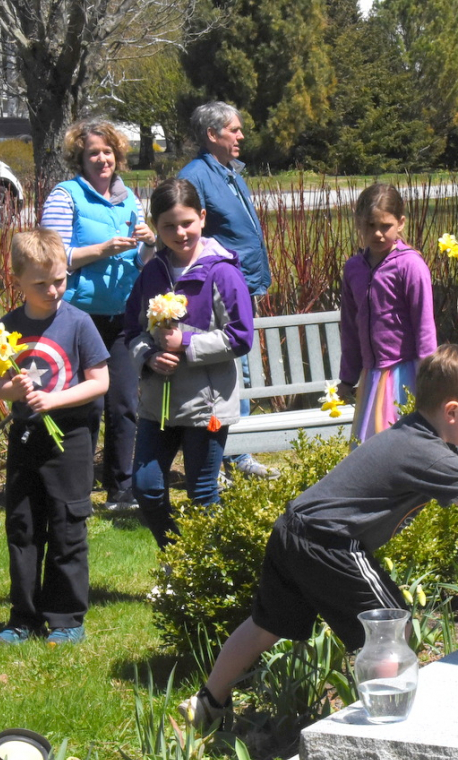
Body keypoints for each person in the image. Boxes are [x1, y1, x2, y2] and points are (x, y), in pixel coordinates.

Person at [178, 344, 458, 729]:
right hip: (330, 542)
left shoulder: (424, 435)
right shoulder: (426, 451)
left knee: (265, 625)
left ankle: (208, 702)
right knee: (388, 626)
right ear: (453, 411)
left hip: (294, 529)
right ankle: (391, 726)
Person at [0, 230, 110, 646]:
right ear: (18, 281)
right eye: (40, 284)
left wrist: (55, 399)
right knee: (23, 527)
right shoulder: (8, 326)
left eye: (59, 280)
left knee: (66, 526)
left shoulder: (78, 323)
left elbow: (100, 382)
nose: (53, 290)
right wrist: (16, 390)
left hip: (71, 439)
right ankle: (22, 617)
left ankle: (65, 617)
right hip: (26, 439)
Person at [124, 179, 254, 549]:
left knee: (201, 493)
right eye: (168, 226)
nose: (179, 233)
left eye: (186, 223)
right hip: (157, 404)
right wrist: (148, 357)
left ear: (202, 218)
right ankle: (178, 556)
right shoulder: (152, 273)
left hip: (206, 404)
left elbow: (240, 336)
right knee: (146, 487)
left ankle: (212, 570)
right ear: (156, 226)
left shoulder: (221, 271)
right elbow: (131, 330)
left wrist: (187, 343)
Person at [41, 119, 156, 513]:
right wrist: (102, 249)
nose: (102, 159)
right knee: (85, 406)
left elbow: (142, 262)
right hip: (79, 316)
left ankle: (121, 490)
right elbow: (52, 257)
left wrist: (149, 245)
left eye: (107, 152)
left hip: (123, 316)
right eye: (93, 153)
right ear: (81, 158)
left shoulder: (130, 199)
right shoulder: (65, 195)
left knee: (124, 404)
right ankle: (77, 488)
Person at [179, 101, 277, 480]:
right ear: (212, 135)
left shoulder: (229, 172)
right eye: (234, 130)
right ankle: (218, 460)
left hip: (243, 287)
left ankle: (238, 455)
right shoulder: (196, 178)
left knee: (244, 374)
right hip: (217, 294)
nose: (240, 136)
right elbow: (188, 235)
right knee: (226, 377)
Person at [337, 184, 437, 444]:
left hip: (405, 373)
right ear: (359, 222)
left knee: (404, 444)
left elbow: (424, 325)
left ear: (400, 223)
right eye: (370, 225)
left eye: (385, 226)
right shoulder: (353, 269)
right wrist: (347, 378)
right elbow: (349, 327)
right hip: (371, 376)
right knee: (370, 448)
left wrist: (429, 378)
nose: (378, 233)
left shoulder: (410, 265)